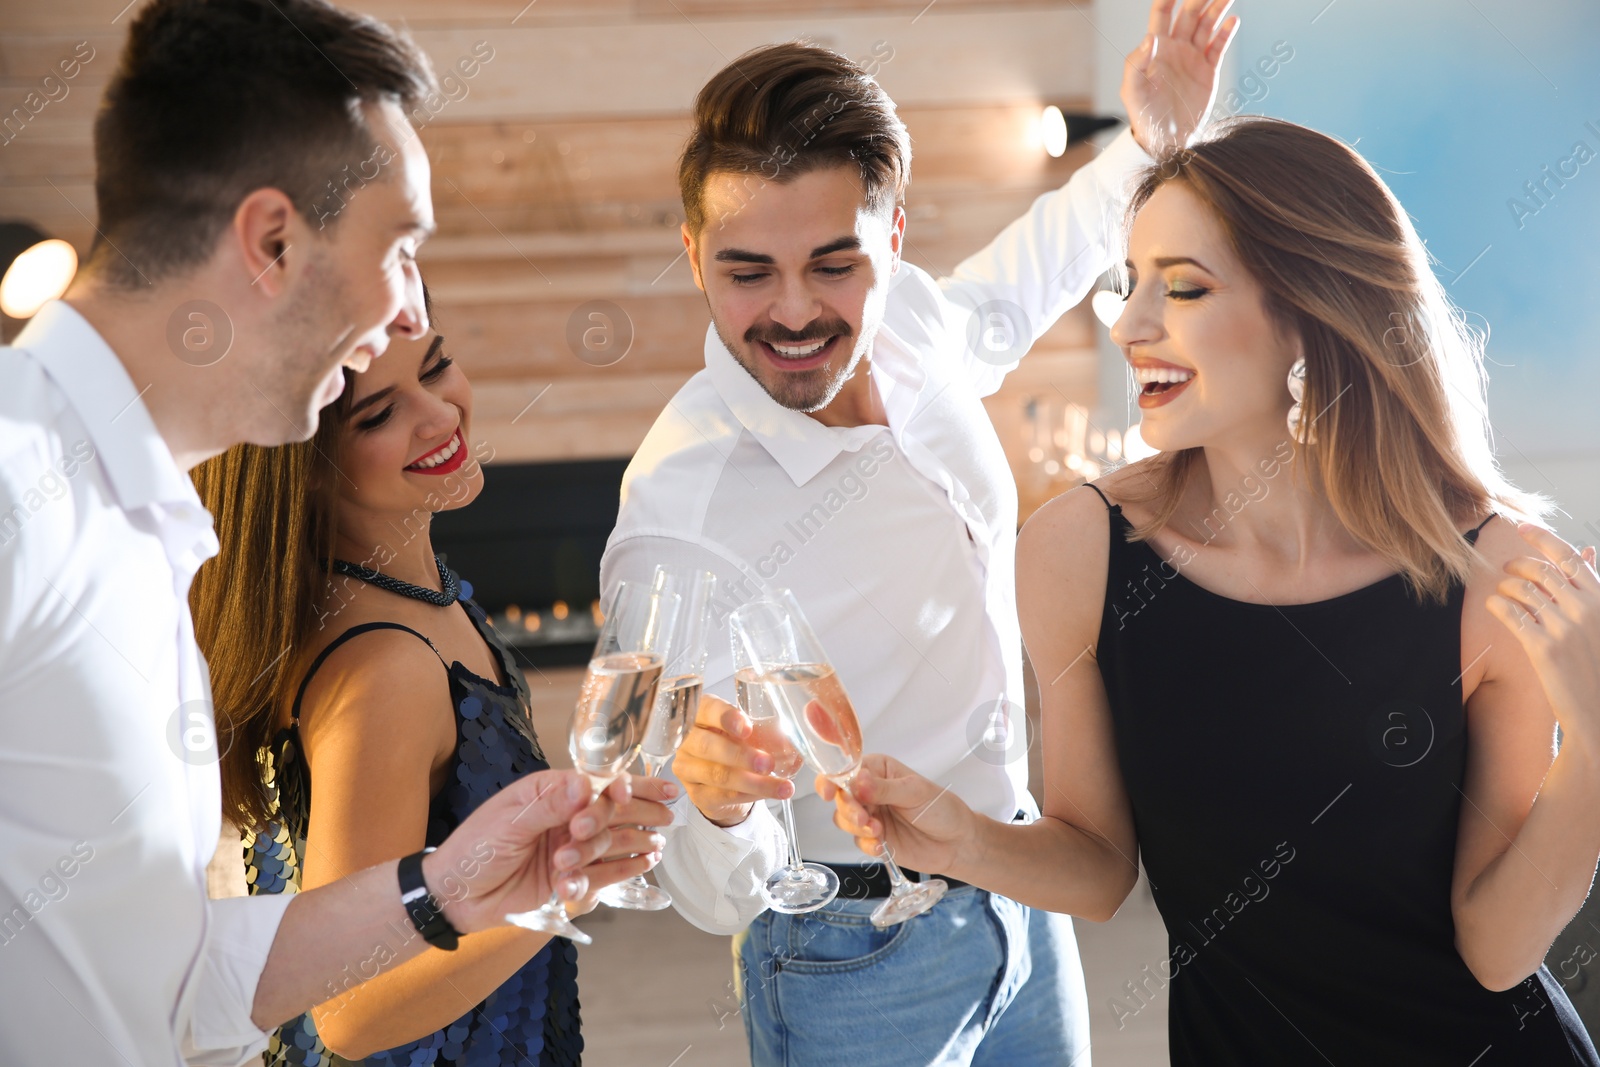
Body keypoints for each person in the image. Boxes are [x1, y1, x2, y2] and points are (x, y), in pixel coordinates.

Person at [819, 115, 1600, 1065]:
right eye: (1130, 281)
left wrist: (1595, 747)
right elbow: (1100, 866)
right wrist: (960, 840)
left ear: (1307, 313)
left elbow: (1497, 949)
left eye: (1183, 287)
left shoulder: (1494, 572)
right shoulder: (1080, 552)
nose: (1129, 323)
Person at [0, 3, 646, 1064]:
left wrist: (447, 888)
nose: (407, 314)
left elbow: (182, 976)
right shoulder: (19, 467)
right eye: (399, 249)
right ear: (271, 241)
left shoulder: (151, 522)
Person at [598, 1, 1237, 1062]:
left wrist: (1153, 139)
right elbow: (694, 879)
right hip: (849, 951)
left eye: (833, 264)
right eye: (745, 269)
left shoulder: (914, 331)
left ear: (892, 240)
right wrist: (714, 808)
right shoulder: (678, 508)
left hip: (1020, 885)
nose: (793, 312)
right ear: (693, 249)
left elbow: (1041, 262)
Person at [190, 286, 672, 1066]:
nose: (440, 414)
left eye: (438, 366)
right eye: (378, 415)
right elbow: (346, 1012)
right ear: (301, 466)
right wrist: (555, 894)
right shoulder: (385, 667)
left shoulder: (404, 592)